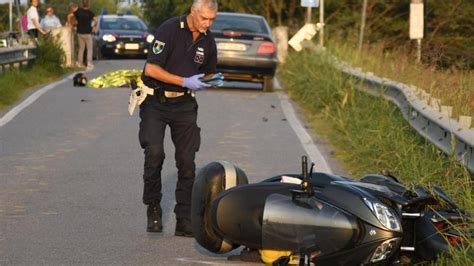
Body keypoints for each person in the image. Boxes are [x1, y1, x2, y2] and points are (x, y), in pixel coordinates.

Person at [138, 0, 218, 236]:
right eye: (204, 18)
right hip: (156, 101)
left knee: (187, 161)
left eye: (212, 19)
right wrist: (184, 80)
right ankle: (153, 209)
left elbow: (210, 69)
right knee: (155, 154)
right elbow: (151, 69)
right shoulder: (169, 29)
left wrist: (210, 80)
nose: (208, 23)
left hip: (184, 104)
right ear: (193, 13)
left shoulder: (208, 39)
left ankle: (184, 219)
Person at [74, 0, 97, 69]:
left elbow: (70, 16)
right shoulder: (90, 13)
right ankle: (89, 63)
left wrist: (71, 24)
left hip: (80, 32)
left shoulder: (78, 11)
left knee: (81, 49)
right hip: (87, 33)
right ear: (88, 5)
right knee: (89, 48)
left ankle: (80, 63)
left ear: (82, 4)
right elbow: (96, 19)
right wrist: (94, 27)